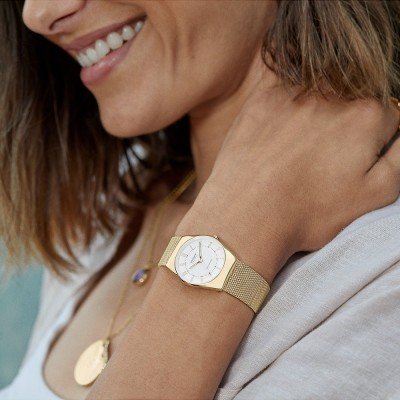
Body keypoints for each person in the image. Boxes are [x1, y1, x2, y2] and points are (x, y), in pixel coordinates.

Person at [0, 1, 399, 399]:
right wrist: (235, 223)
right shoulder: (109, 204)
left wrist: (236, 226)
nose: (37, 13)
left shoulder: (381, 274)